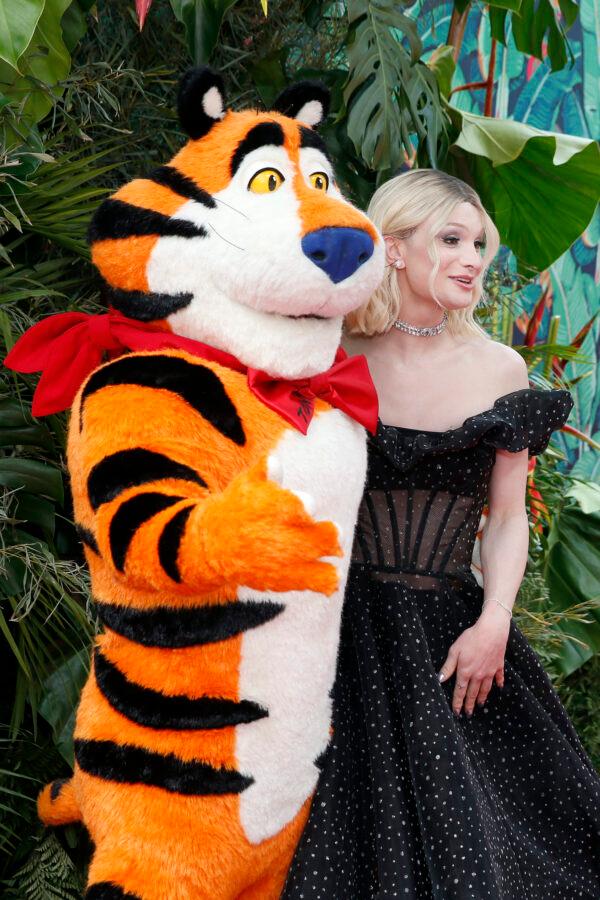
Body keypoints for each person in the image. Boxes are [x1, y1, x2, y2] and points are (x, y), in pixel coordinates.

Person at [283, 169, 600, 900]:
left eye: (480, 244)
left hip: (454, 640)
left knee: (496, 847)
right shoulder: (332, 354)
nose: (473, 260)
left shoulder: (499, 369)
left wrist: (495, 622)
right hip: (335, 635)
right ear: (392, 250)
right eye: (450, 240)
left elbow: (509, 517)